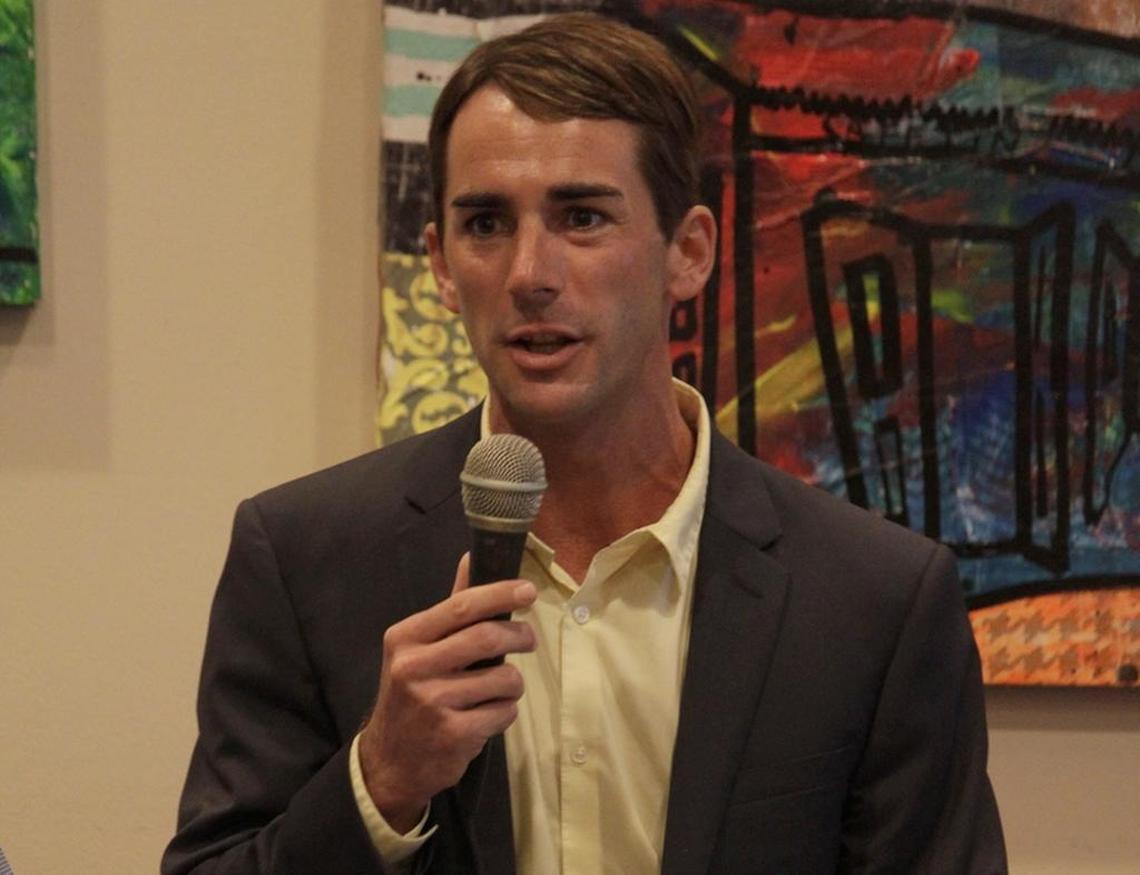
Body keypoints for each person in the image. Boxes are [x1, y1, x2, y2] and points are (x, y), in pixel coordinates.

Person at [164, 12, 1006, 874]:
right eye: (486, 224)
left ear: (688, 252)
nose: (530, 272)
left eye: (582, 218)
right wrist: (382, 780)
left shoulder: (876, 600)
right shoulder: (304, 558)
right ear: (443, 266)